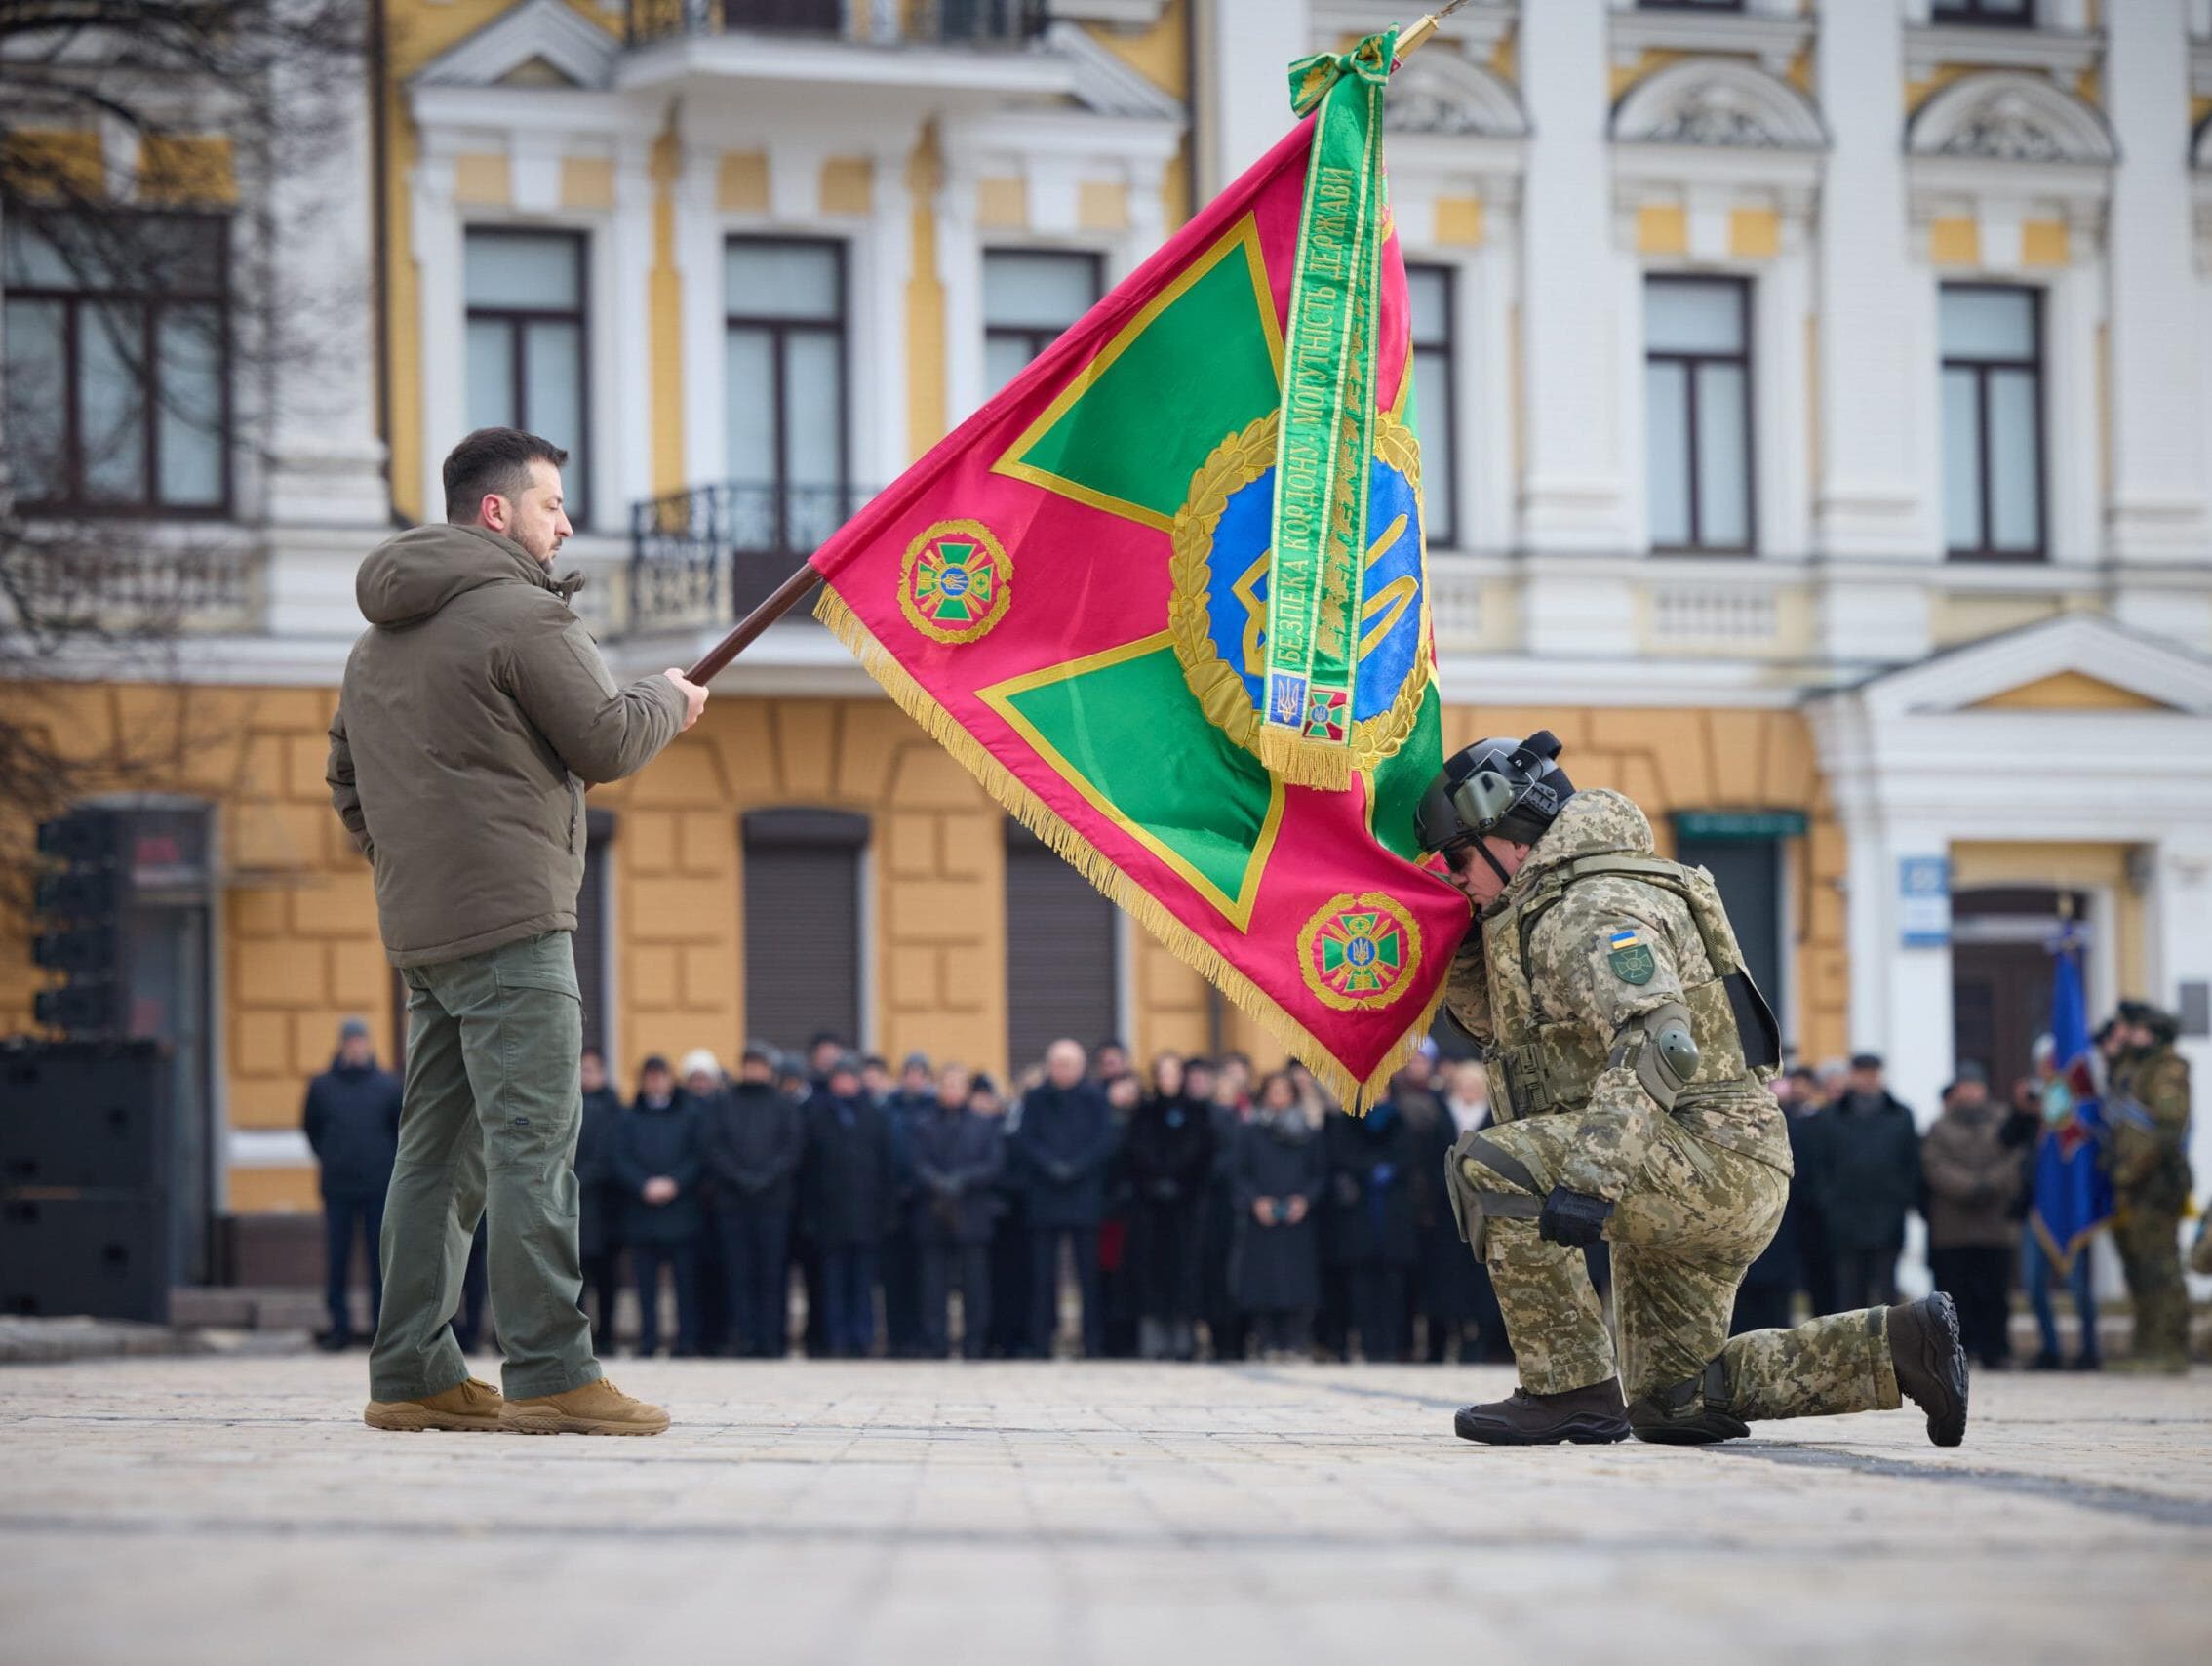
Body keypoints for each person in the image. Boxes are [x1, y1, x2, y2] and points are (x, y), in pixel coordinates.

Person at [1422, 732, 1968, 1447]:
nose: (1455, 876)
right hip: (1699, 1161)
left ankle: (1567, 1391)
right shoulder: (1550, 905)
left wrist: (1591, 1178)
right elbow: (1509, 1027)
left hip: (1703, 1159)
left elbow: (1661, 1038)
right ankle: (1902, 1347)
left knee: (1489, 1165)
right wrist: (1466, 946)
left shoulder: (1592, 906)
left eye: (1459, 857)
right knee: (1673, 1402)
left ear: (1512, 838)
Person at [331, 426, 701, 1436]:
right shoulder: (523, 615)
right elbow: (608, 738)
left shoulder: (375, 643)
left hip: (425, 931)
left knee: (436, 1155)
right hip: (516, 925)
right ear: (497, 512)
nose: (565, 524)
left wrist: (414, 865)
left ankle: (409, 1370)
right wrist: (668, 700)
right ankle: (550, 1368)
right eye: (551, 507)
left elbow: (346, 783)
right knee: (534, 1143)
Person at [1012, 1039, 1118, 1359]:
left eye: (1069, 1064)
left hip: (1084, 1195)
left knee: (1088, 1276)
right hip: (1045, 1195)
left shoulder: (1096, 1098)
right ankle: (1042, 1342)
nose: (1063, 1069)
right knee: (1042, 1276)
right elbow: (1025, 1140)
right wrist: (1051, 1166)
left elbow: (1105, 1141)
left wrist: (1075, 1167)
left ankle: (1092, 1343)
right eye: (1058, 1063)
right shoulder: (1035, 1098)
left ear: (1081, 1067)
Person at [302, 1017, 402, 1352]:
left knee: (379, 1261)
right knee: (337, 1260)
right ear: (343, 1044)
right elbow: (312, 1129)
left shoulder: (388, 1086)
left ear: (368, 1044)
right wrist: (331, 1157)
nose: (356, 1046)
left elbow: (399, 1132)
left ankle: (380, 1329)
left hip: (378, 1188)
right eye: (351, 1041)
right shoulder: (322, 1086)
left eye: (361, 1040)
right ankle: (339, 1328)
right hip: (338, 1188)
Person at [700, 1043, 804, 1359]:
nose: (754, 1070)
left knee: (772, 1275)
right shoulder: (724, 1103)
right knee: (738, 1273)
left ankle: (772, 1340)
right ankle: (744, 1338)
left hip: (773, 1204)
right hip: (733, 1204)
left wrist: (765, 1178)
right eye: (749, 1064)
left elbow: (793, 1148)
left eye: (759, 1065)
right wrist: (740, 1177)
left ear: (769, 1070)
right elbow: (714, 1146)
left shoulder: (784, 1105)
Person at [2108, 1002, 2193, 1373]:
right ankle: (2147, 1344)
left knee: (2162, 1267)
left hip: (2157, 1184)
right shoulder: (2137, 1067)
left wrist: (2133, 1171)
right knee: (2139, 1267)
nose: (2131, 1036)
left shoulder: (2168, 1070)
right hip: (2132, 1183)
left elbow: (2166, 1131)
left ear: (2155, 1034)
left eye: (2137, 1030)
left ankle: (2171, 1348)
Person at [1920, 1070, 2026, 1370]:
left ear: (1984, 1089)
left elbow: (2016, 1157)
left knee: (1996, 1293)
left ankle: (1997, 1350)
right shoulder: (1939, 1127)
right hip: (1953, 1226)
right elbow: (1933, 1164)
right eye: (1965, 1087)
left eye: (1975, 1086)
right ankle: (1958, 1351)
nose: (1970, 1093)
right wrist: (1968, 1187)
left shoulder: (2005, 1120)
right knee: (1956, 1294)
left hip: (1996, 1224)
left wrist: (1990, 1184)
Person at [799, 1054, 895, 1358]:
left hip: (867, 1216)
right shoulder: (817, 1116)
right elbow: (807, 1170)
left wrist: (886, 1214)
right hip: (830, 1217)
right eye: (839, 1077)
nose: (844, 1082)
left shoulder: (875, 1116)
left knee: (863, 1283)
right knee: (833, 1283)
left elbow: (887, 1169)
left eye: (850, 1077)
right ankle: (836, 1340)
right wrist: (810, 1215)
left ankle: (862, 1339)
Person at [910, 1063, 1006, 1359]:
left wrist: (962, 1181)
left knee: (975, 1286)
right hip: (934, 1212)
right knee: (932, 1286)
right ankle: (935, 1344)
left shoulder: (984, 1124)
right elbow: (915, 1163)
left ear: (967, 1090)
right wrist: (938, 1182)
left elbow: (994, 1164)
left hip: (972, 1213)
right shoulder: (923, 1124)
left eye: (958, 1085)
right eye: (947, 1085)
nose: (951, 1091)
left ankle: (974, 1344)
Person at [1125, 1053, 1215, 1362]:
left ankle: (1183, 1341)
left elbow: (1203, 1155)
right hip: (1149, 1206)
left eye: (1173, 1073)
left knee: (1184, 1271)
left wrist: (1180, 1183)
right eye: (1162, 1073)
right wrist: (1154, 1182)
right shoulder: (1144, 1113)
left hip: (1186, 1206)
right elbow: (1134, 1153)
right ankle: (1154, 1341)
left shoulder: (1198, 1113)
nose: (1168, 1080)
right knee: (1151, 1272)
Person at [1815, 1053, 1922, 1309]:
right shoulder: (1831, 1116)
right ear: (1852, 1076)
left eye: (1872, 1073)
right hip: (1845, 1216)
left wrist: (1902, 1197)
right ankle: (1853, 1347)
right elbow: (1820, 1164)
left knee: (1887, 1288)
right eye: (1862, 1073)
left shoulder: (1901, 1115)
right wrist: (1829, 1201)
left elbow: (1912, 1163)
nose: (1867, 1079)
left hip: (1888, 1213)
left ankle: (1889, 1344)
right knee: (1850, 1290)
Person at [1229, 1071, 1323, 1360]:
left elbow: (1319, 1172)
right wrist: (1255, 1201)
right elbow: (1239, 1172)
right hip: (1263, 1215)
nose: (1279, 1097)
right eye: (1274, 1091)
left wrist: (1304, 1200)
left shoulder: (1308, 1133)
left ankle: (1295, 1340)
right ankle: (1265, 1340)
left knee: (1297, 1281)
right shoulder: (1251, 1131)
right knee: (1263, 1280)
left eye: (1285, 1091)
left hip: (1297, 1216)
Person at [615, 1055, 705, 1358]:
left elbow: (698, 1157)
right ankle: (649, 1340)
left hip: (681, 1212)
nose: (655, 1082)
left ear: (670, 1079)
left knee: (686, 1284)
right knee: (646, 1286)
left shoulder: (689, 1115)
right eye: (650, 1076)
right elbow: (619, 1158)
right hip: (642, 1213)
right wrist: (643, 1185)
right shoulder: (629, 1117)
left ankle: (686, 1342)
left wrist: (674, 1183)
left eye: (661, 1076)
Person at [1323, 1094, 1419, 1362]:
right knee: (1360, 1284)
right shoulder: (1345, 1120)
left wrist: (1390, 1169)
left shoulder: (1400, 1119)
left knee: (1393, 1283)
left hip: (1393, 1213)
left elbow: (1409, 1157)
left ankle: (1391, 1344)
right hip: (1358, 1212)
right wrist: (1369, 1168)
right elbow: (1340, 1156)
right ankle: (1366, 1342)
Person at [1731, 1067, 1820, 1335]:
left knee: (1775, 1310)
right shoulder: (1733, 1122)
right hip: (1742, 1227)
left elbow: (1804, 1176)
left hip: (1780, 1224)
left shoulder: (1793, 1124)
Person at [573, 1047, 625, 1355]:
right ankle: (580, 1340)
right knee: (573, 1276)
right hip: (571, 1206)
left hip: (606, 1208)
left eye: (590, 1069)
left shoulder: (614, 1108)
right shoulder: (564, 1104)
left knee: (606, 1276)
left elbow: (613, 1154)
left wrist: (578, 1179)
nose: (584, 1074)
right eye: (580, 1068)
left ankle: (606, 1336)